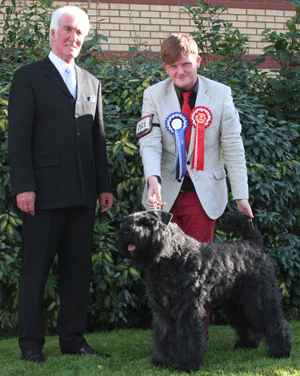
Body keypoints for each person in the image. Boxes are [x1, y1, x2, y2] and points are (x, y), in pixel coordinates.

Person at [8, 6, 114, 363]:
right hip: (43, 194)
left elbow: (97, 140)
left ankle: (73, 339)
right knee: (35, 272)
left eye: (80, 33)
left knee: (77, 272)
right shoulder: (28, 77)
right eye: (68, 30)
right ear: (52, 34)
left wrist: (104, 186)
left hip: (84, 195)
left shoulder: (91, 82)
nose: (74, 37)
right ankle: (31, 345)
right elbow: (18, 138)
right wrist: (24, 185)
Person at [137, 33, 253, 245]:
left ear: (198, 61)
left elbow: (233, 148)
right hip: (164, 197)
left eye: (185, 64)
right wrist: (152, 179)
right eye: (172, 66)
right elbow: (150, 142)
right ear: (165, 67)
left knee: (198, 270)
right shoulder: (152, 95)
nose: (180, 72)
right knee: (164, 268)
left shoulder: (221, 94)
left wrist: (241, 197)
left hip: (203, 197)